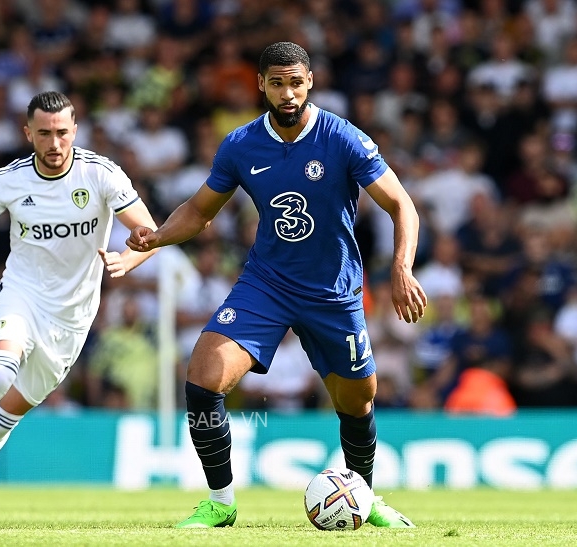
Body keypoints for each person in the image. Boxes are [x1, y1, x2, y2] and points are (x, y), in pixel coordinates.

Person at [127, 42, 426, 529]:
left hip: (332, 291)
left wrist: (401, 268)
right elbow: (200, 211)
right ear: (261, 85)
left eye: (296, 83)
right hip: (267, 284)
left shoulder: (342, 138)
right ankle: (220, 503)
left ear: (310, 83)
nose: (288, 93)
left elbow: (401, 204)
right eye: (277, 83)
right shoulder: (241, 145)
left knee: (357, 401)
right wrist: (158, 235)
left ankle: (364, 498)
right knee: (203, 376)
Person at [0, 91, 159, 525]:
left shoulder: (101, 174)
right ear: (28, 134)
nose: (54, 142)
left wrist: (129, 258)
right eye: (44, 133)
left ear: (75, 131)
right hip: (22, 293)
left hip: (73, 316)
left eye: (62, 132)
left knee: (8, 414)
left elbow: (149, 232)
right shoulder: (8, 181)